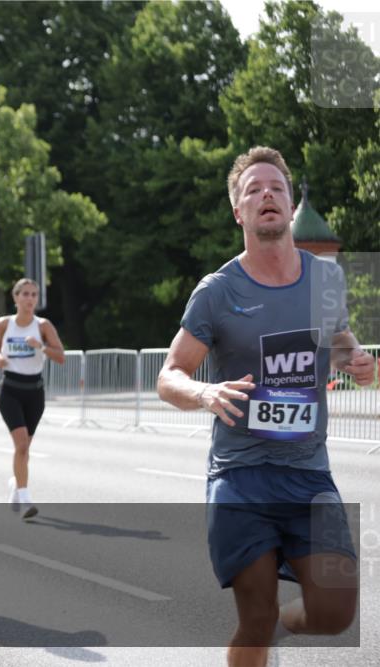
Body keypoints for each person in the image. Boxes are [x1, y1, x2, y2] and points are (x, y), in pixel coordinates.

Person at [156, 146, 375, 667]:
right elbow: (169, 375)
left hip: (308, 476)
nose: (266, 195)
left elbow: (339, 340)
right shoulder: (216, 291)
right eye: (252, 190)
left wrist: (354, 358)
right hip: (242, 474)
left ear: (290, 201)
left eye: (275, 186)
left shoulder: (325, 280)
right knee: (253, 614)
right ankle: (261, 629)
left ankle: (273, 630)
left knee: (334, 612)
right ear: (239, 212)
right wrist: (207, 393)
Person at [0, 278, 65, 520]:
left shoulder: (43, 326)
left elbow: (61, 356)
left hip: (34, 392)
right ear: (15, 298)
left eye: (34, 295)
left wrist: (41, 347)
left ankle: (16, 486)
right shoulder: (5, 323)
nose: (30, 299)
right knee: (22, 445)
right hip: (10, 390)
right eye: (25, 294)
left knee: (23, 449)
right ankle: (25, 499)